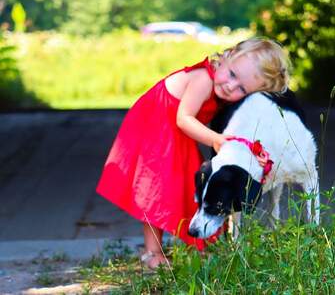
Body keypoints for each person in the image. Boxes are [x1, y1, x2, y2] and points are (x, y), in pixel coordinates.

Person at [96, 37, 290, 270]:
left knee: (191, 183)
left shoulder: (222, 90)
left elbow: (231, 127)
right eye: (232, 75)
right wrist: (216, 140)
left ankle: (198, 243)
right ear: (227, 56)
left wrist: (251, 149)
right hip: (156, 127)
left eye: (241, 89)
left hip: (172, 132)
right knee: (157, 189)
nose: (231, 86)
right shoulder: (204, 80)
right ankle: (152, 252)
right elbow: (184, 118)